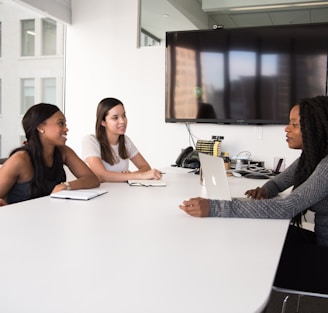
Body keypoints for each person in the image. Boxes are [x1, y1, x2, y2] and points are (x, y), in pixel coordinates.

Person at [179, 95, 328, 294]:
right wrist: (265, 190)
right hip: (320, 241)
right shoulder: (312, 158)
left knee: (255, 254)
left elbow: (286, 207)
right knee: (261, 235)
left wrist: (214, 207)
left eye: (294, 124)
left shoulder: (326, 166)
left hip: (323, 256)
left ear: (316, 128)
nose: (286, 128)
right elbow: (280, 181)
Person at [0, 103, 100, 206]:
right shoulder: (20, 159)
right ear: (40, 127)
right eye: (61, 123)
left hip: (49, 217)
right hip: (19, 219)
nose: (66, 129)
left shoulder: (64, 152)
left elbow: (92, 179)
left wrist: (66, 186)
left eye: (65, 124)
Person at [82, 97, 162, 182]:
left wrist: (131, 175)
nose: (122, 121)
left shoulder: (125, 141)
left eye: (124, 115)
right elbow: (101, 175)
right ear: (103, 122)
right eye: (115, 118)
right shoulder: (90, 141)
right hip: (101, 193)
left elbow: (145, 167)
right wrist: (137, 176)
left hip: (122, 192)